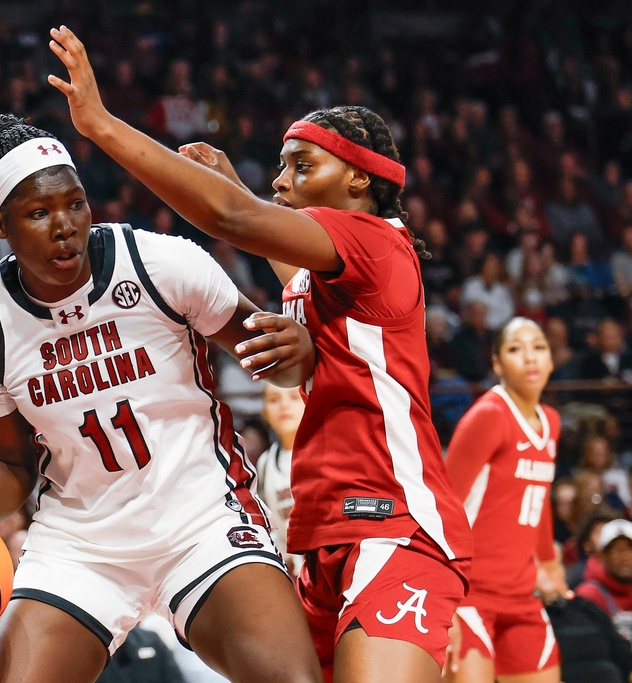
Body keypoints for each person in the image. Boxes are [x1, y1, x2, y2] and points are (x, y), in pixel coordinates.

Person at [46, 26, 472, 683]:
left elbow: (232, 219)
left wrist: (101, 126)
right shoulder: (321, 275)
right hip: (323, 530)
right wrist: (231, 192)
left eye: (303, 165)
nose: (282, 181)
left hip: (393, 525)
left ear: (359, 178)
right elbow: (275, 258)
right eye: (280, 167)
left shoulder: (375, 240)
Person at [0, 112, 321, 683]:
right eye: (39, 213)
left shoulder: (162, 263)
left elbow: (283, 370)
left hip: (201, 517)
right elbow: (8, 463)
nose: (65, 225)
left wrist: (298, 347)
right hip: (83, 543)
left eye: (75, 204)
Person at [442, 317, 566, 682]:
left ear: (551, 358)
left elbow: (539, 496)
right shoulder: (489, 416)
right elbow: (443, 506)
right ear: (496, 363)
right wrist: (442, 600)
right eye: (515, 349)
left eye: (539, 347)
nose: (530, 358)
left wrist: (548, 561)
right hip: (468, 594)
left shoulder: (552, 422)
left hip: (521, 594)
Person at [255, 381, 306, 570]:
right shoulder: (265, 462)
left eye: (293, 397)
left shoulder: (326, 449)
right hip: (296, 571)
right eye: (274, 399)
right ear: (265, 412)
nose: (284, 405)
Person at [574, 518, 632, 640]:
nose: (624, 556)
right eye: (616, 550)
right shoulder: (589, 596)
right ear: (602, 556)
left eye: (629, 548)